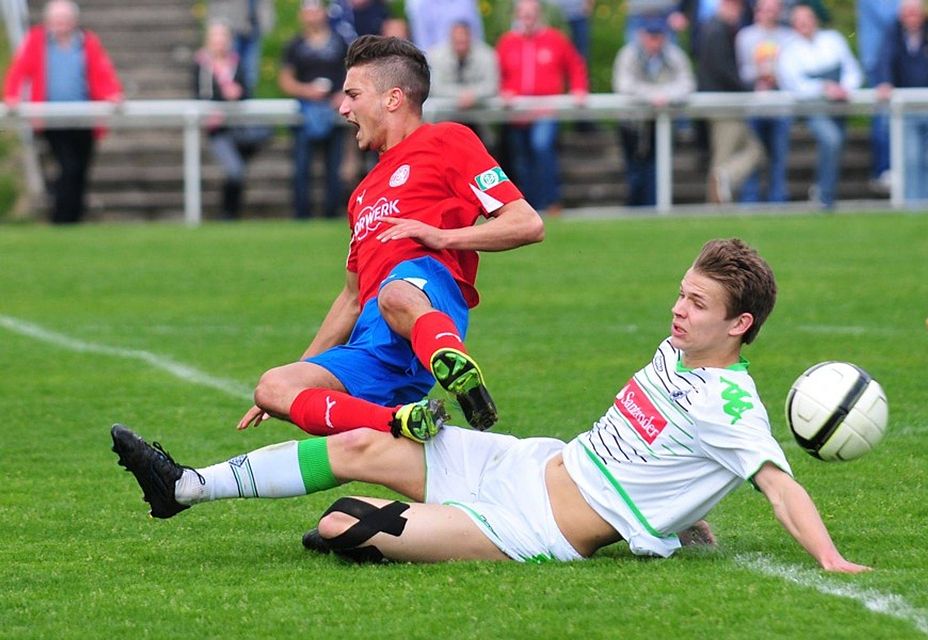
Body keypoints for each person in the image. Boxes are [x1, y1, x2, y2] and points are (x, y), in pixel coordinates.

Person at [111, 238, 870, 574]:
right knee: (362, 447)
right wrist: (678, 512)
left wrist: (830, 558)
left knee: (343, 523)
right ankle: (186, 487)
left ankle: (391, 526)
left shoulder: (733, 406)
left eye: (697, 304)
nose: (678, 309)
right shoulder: (677, 351)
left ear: (739, 325)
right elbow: (661, 448)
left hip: (533, 527)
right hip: (528, 462)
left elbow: (779, 486)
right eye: (681, 293)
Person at [235, 35, 544, 443]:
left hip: (427, 299)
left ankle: (456, 367)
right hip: (372, 342)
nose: (343, 108)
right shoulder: (362, 194)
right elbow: (351, 298)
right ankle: (402, 421)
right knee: (272, 385)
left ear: (393, 98)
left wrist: (443, 237)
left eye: (353, 95)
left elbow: (527, 223)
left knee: (395, 292)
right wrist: (299, 375)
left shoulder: (447, 140)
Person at [3, 0, 123, 224]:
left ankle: (75, 216)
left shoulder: (87, 42)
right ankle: (62, 218)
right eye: (57, 19)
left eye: (65, 19)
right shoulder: (37, 40)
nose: (61, 24)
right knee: (69, 166)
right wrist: (12, 95)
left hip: (85, 118)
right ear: (48, 21)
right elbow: (20, 69)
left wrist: (112, 93)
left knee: (81, 168)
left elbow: (101, 71)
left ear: (74, 21)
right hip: (52, 118)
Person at [496, 0, 589, 216]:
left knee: (541, 146)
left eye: (531, 14)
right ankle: (529, 205)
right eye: (523, 14)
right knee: (522, 158)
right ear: (517, 16)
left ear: (539, 15)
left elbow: (575, 65)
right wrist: (502, 92)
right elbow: (497, 73)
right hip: (517, 113)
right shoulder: (507, 42)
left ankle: (550, 200)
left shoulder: (555, 39)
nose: (527, 18)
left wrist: (578, 89)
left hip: (546, 109)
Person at [777, 3, 862, 210]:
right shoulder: (789, 49)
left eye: (807, 19)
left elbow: (852, 69)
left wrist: (844, 87)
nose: (804, 24)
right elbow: (793, 84)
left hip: (839, 104)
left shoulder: (833, 39)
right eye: (799, 21)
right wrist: (823, 87)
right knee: (832, 140)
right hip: (811, 106)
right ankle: (825, 195)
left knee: (837, 144)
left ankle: (826, 192)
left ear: (815, 19)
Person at [875, 0, 928, 204]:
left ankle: (925, 205)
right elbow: (885, 60)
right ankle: (911, 206)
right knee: (910, 157)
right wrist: (885, 82)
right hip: (905, 107)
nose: (912, 17)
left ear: (923, 13)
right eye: (908, 12)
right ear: (901, 15)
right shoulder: (892, 32)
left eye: (915, 12)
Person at [612, 15, 695, 206]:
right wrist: (652, 95)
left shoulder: (674, 55)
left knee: (657, 168)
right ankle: (635, 208)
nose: (655, 41)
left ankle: (654, 207)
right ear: (642, 36)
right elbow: (623, 84)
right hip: (633, 124)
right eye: (651, 36)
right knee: (635, 171)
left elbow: (687, 83)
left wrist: (666, 96)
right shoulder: (628, 55)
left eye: (658, 36)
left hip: (661, 122)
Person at [279, 0, 350, 220]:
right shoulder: (294, 45)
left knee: (334, 167)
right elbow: (285, 80)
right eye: (308, 12)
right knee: (302, 166)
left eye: (316, 11)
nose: (312, 17)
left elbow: (352, 73)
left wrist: (344, 94)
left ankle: (331, 212)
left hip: (334, 111)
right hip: (305, 113)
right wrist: (307, 91)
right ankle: (302, 213)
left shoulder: (340, 43)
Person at [194, 21, 268, 220]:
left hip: (238, 126)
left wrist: (238, 93)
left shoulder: (236, 62)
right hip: (218, 128)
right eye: (215, 37)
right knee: (235, 171)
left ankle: (231, 213)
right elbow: (200, 95)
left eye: (222, 37)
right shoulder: (201, 64)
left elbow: (246, 91)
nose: (219, 42)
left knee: (239, 169)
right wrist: (223, 95)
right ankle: (228, 213)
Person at [696, 0, 765, 204]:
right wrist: (749, 88)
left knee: (754, 151)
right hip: (722, 105)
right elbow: (722, 70)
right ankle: (716, 209)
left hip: (723, 102)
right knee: (722, 161)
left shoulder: (713, 28)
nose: (739, 13)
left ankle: (725, 182)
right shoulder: (717, 30)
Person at [735, 0, 795, 203]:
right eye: (766, 9)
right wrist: (759, 73)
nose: (770, 14)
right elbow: (741, 72)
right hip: (754, 106)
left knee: (779, 157)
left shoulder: (788, 36)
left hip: (780, 107)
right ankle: (749, 202)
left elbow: (792, 71)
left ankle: (778, 200)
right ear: (757, 11)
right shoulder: (745, 36)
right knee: (752, 156)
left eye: (774, 9)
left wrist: (776, 75)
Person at [427, 21, 500, 146]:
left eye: (463, 41)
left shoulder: (487, 55)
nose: (461, 45)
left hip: (479, 119)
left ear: (470, 38)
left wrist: (473, 96)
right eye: (457, 41)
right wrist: (462, 96)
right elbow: (435, 86)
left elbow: (492, 85)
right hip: (444, 117)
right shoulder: (435, 56)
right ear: (450, 38)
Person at [856, 0, 901, 193]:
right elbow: (891, 17)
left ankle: (896, 169)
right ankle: (883, 171)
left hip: (899, 59)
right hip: (877, 61)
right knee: (883, 118)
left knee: (896, 115)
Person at [207, 0, 276, 93]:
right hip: (232, 26)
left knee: (250, 74)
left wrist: (266, 22)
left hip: (253, 29)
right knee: (228, 71)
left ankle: (246, 96)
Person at [405, 0, 484, 54]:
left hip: (466, 55)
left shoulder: (467, 2)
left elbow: (476, 34)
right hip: (433, 58)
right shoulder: (418, 4)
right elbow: (422, 42)